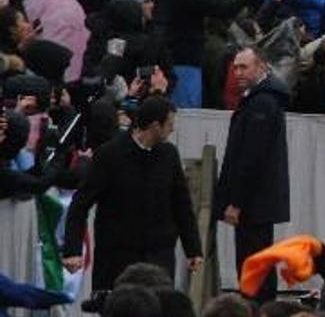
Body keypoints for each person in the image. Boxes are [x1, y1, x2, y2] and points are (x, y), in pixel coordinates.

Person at [61, 95, 204, 289]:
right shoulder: (110, 154)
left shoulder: (168, 155)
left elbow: (181, 204)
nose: (172, 129)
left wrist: (193, 249)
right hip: (117, 257)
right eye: (169, 124)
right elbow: (81, 203)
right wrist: (72, 249)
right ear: (155, 126)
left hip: (158, 256)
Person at [214, 47, 290, 302]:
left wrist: (237, 201)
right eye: (235, 67)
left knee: (253, 264)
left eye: (244, 67)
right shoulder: (262, 99)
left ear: (261, 67)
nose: (237, 73)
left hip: (254, 204)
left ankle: (256, 316)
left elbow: (252, 157)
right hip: (258, 202)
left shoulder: (262, 102)